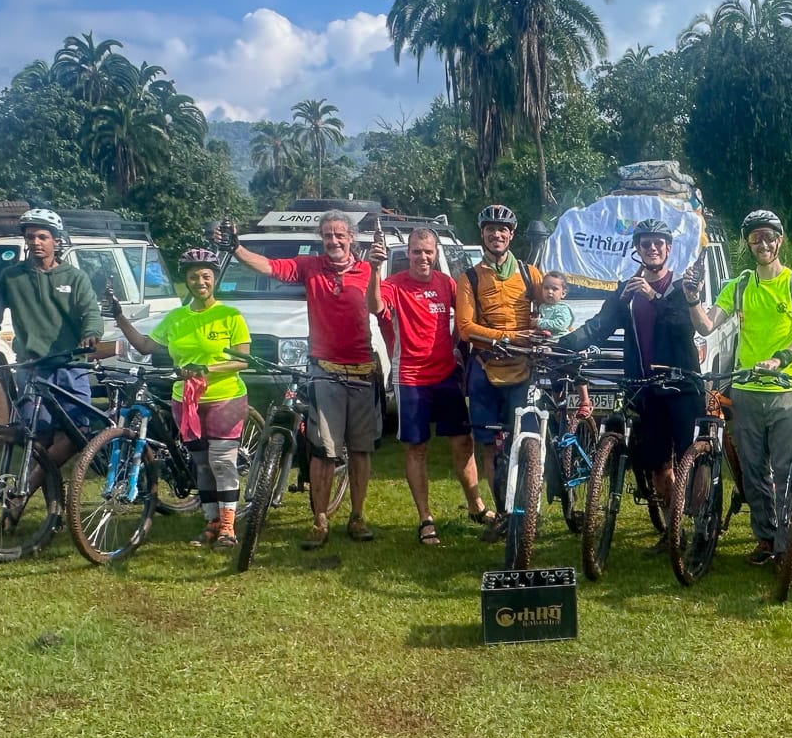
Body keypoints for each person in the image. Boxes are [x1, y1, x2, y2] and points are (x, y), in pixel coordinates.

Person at [220, 211, 379, 548]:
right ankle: (320, 520)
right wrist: (236, 249)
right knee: (323, 451)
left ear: (351, 238)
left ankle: (358, 516)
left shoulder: (368, 271)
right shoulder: (310, 266)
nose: (333, 241)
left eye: (339, 235)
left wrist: (378, 269)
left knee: (361, 450)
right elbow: (269, 267)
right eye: (327, 235)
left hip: (363, 371)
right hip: (325, 371)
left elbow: (381, 307)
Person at [688, 209, 792, 567]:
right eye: (755, 238)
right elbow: (705, 326)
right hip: (747, 392)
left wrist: (781, 358)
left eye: (768, 236)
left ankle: (784, 543)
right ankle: (765, 537)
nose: (762, 243)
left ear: (780, 240)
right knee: (753, 470)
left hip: (786, 393)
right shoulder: (740, 285)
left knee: (785, 471)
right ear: (748, 243)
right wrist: (692, 299)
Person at [560, 218, 702, 550]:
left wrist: (653, 296)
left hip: (682, 387)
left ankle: (699, 526)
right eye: (645, 244)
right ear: (636, 250)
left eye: (658, 243)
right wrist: (564, 345)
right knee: (657, 463)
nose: (652, 248)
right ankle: (673, 529)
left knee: (688, 461)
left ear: (668, 249)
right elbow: (599, 326)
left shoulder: (682, 289)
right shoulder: (627, 291)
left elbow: (683, 327)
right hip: (645, 388)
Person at [112, 248, 250, 548]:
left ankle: (228, 525)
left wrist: (207, 367)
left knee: (222, 462)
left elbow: (243, 361)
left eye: (206, 276)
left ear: (214, 280)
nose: (200, 282)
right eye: (193, 277)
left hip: (225, 396)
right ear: (185, 282)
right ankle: (211, 521)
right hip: (185, 401)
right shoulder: (176, 317)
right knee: (201, 464)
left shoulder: (230, 316)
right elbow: (147, 346)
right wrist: (120, 318)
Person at [367, 226, 490, 546]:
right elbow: (374, 305)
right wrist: (374, 268)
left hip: (446, 375)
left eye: (428, 252)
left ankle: (476, 506)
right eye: (417, 252)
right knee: (417, 448)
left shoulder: (445, 283)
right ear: (407, 254)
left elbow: (465, 317)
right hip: (410, 378)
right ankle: (425, 518)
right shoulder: (392, 285)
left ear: (436, 255)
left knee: (464, 444)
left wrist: (456, 347)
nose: (423, 257)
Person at [0, 208, 104, 466]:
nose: (36, 242)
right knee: (38, 437)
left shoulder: (75, 278)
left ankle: (36, 482)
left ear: (56, 240)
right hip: (32, 368)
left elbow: (91, 312)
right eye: (31, 237)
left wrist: (91, 333)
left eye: (43, 236)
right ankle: (49, 501)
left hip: (70, 366)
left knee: (77, 433)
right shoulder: (11, 277)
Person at [454, 204, 549, 538]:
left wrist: (549, 323)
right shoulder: (468, 278)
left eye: (503, 230)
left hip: (523, 369)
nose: (497, 235)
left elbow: (552, 305)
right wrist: (507, 337)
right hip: (485, 369)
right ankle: (505, 514)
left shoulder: (529, 273)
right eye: (490, 229)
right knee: (490, 445)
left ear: (511, 235)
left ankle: (527, 510)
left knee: (524, 442)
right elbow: (466, 328)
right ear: (482, 234)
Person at [536, 272, 576, 337]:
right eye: (546, 288)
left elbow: (561, 325)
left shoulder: (563, 308)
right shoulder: (541, 306)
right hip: (544, 339)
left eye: (555, 289)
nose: (549, 292)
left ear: (563, 293)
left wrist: (538, 322)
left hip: (560, 340)